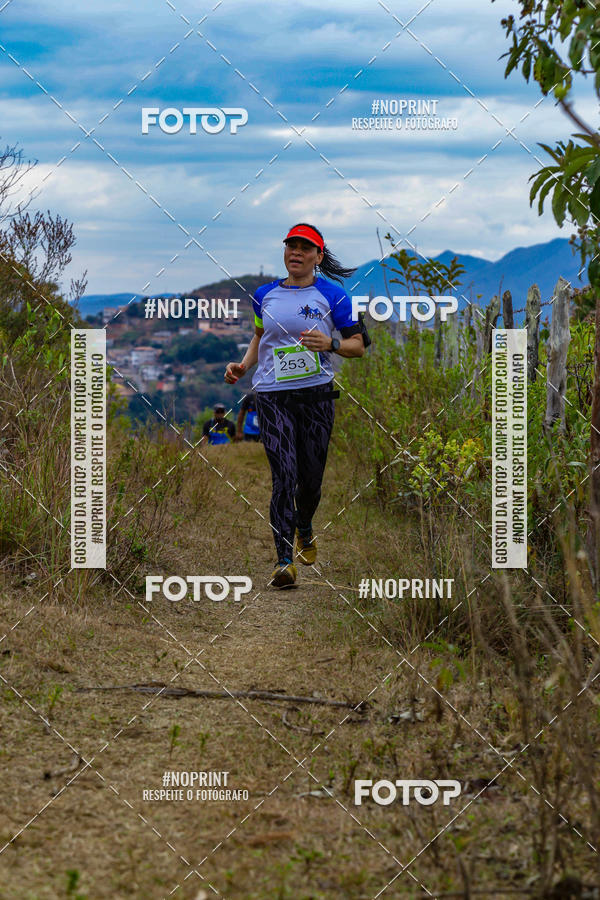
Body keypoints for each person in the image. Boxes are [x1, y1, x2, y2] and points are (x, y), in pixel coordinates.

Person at [224, 222, 366, 588]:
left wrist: (331, 345)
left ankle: (305, 525)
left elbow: (358, 346)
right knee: (284, 476)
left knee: (311, 482)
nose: (296, 253)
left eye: (305, 248)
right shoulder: (263, 295)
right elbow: (259, 338)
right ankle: (284, 561)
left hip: (317, 397)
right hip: (272, 397)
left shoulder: (334, 296)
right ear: (285, 252)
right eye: (291, 246)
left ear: (318, 257)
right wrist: (243, 365)